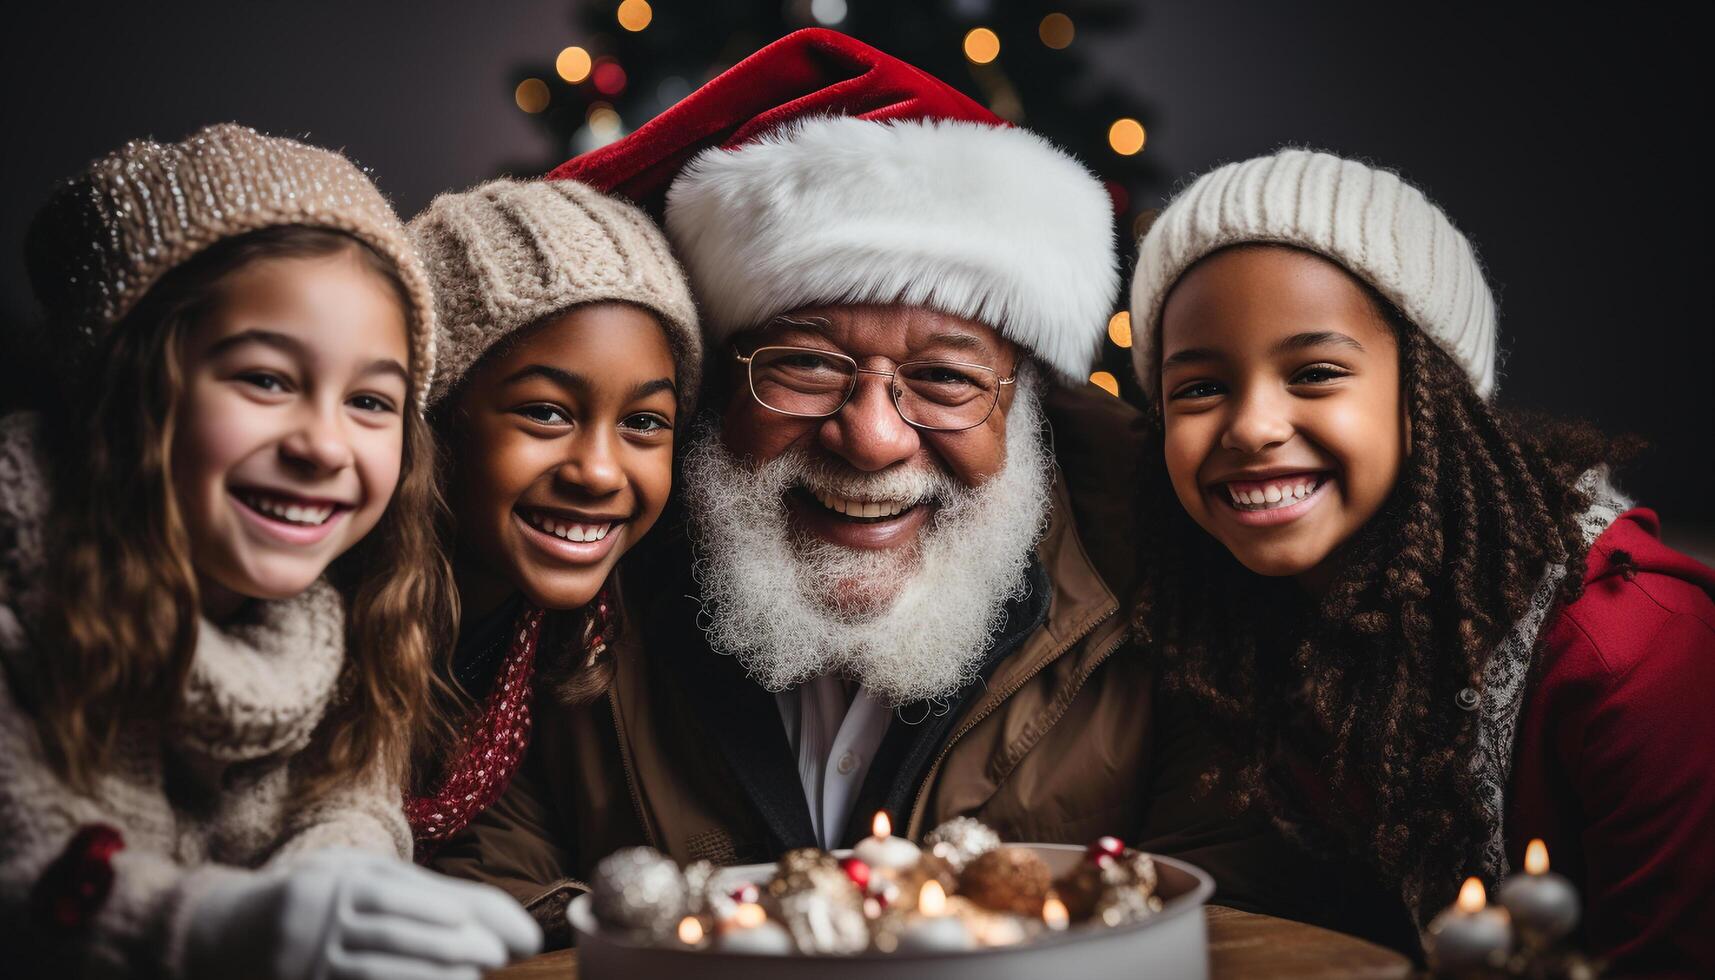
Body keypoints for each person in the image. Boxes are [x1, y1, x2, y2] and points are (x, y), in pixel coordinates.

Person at [430, 29, 1152, 946]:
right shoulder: (573, 581)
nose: (872, 439)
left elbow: (1244, 917)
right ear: (718, 383)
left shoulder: (1162, 579)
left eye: (944, 381)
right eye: (805, 365)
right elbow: (481, 896)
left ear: (1026, 406)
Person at [1127, 148, 1715, 973]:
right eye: (1197, 388)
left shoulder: (1633, 654)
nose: (1252, 425)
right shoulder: (1224, 626)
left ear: (1430, 395)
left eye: (1316, 372)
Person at [1, 124, 539, 978]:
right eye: (266, 380)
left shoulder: (350, 612)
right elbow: (24, 868)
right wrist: (217, 928)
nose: (324, 445)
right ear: (127, 389)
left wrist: (333, 877)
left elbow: (353, 809)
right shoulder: (22, 595)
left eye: (370, 401)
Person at [404, 177, 701, 859]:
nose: (598, 471)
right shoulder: (321, 619)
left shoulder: (586, 638)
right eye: (545, 412)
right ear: (434, 419)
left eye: (643, 422)